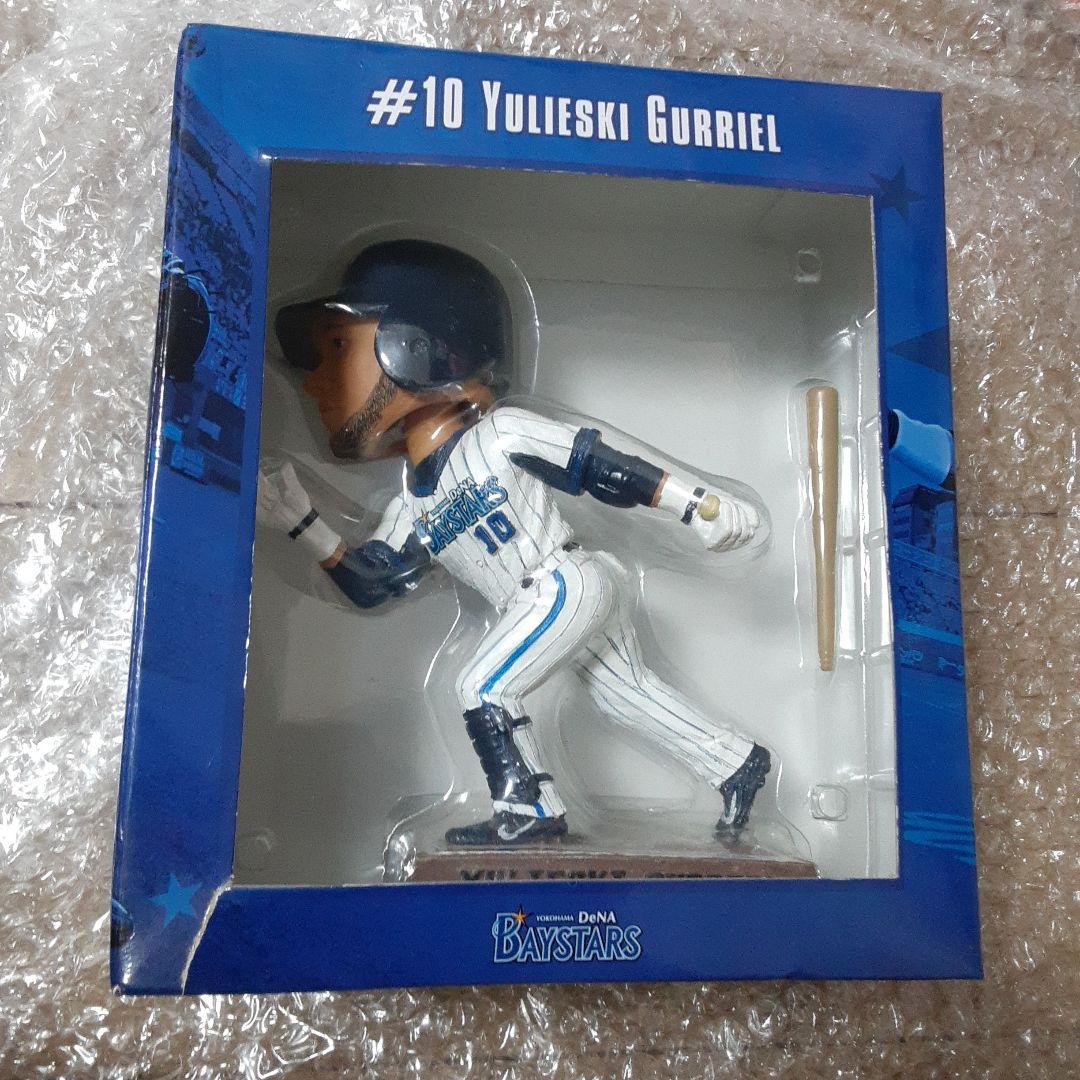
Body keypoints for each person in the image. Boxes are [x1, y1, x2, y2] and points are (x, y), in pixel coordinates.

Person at [258, 239, 772, 847]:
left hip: (562, 582)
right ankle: (736, 762)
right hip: (545, 598)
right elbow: (376, 583)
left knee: (483, 685)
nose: (315, 380)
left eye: (339, 348)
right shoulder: (411, 507)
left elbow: (598, 466)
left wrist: (697, 504)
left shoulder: (501, 433)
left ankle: (530, 807)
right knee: (626, 696)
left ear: (411, 347)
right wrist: (300, 520)